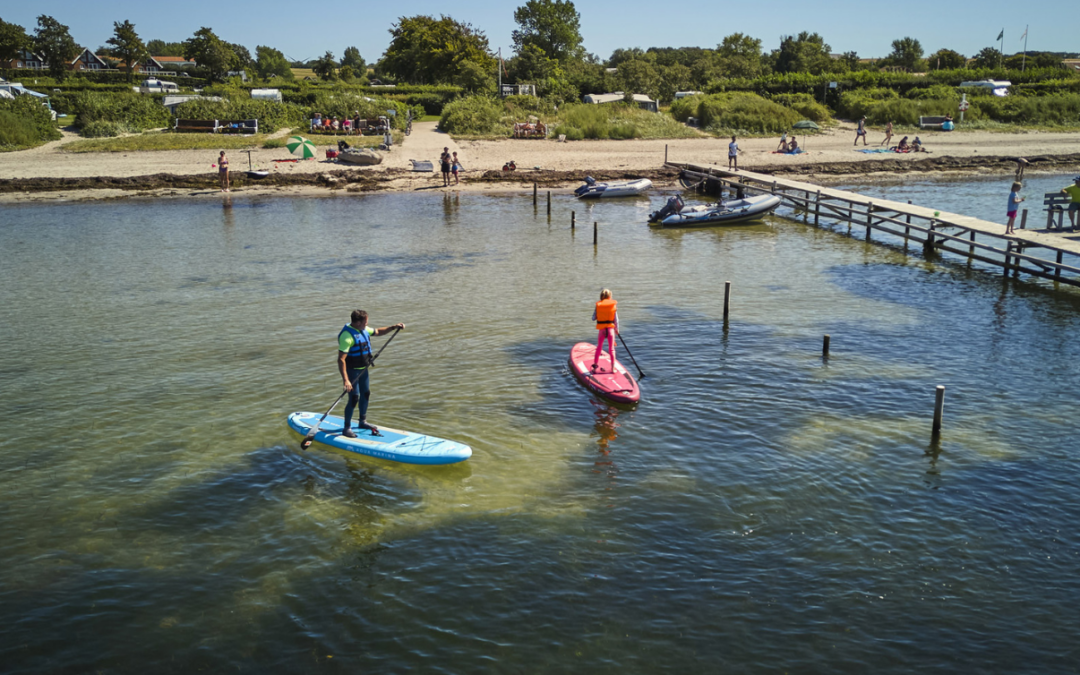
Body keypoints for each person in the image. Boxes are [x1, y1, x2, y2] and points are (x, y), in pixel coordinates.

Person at [337, 310, 405, 437]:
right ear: (357, 323)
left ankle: (362, 421)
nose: (367, 324)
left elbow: (378, 332)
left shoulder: (363, 329)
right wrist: (346, 380)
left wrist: (393, 327)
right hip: (352, 371)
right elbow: (341, 359)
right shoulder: (347, 336)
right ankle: (346, 428)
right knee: (354, 398)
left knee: (366, 394)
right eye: (365, 322)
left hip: (363, 369)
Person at [591, 288, 620, 372]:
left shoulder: (598, 306)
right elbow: (616, 320)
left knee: (599, 348)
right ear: (610, 296)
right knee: (611, 349)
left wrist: (599, 315)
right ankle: (613, 368)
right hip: (611, 330)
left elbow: (593, 318)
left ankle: (595, 367)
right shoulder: (613, 306)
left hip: (602, 330)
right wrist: (617, 329)